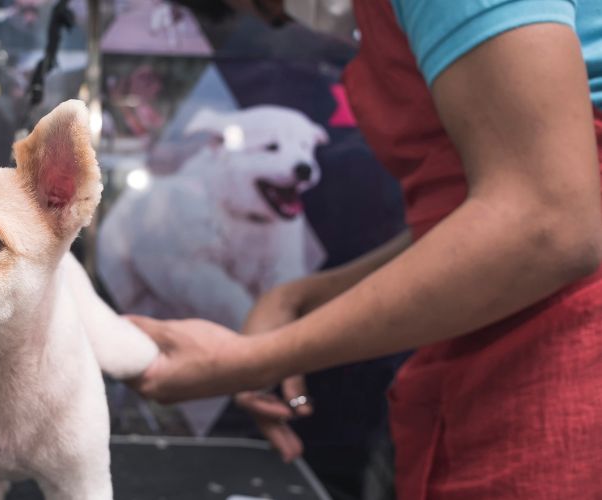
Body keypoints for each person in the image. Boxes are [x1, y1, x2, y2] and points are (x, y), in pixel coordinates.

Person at [129, 0, 602, 497]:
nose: (266, 19)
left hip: (563, 370)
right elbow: (485, 212)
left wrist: (253, 360)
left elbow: (550, 219)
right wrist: (303, 299)